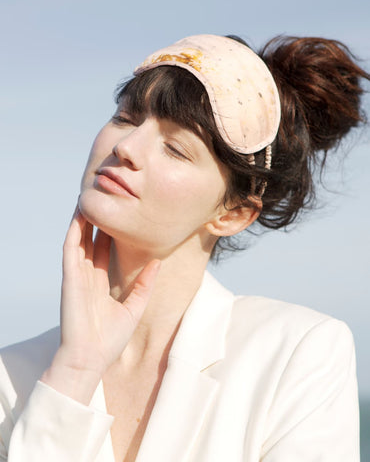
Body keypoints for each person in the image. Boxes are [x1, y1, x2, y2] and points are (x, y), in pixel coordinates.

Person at [0, 34, 368, 462]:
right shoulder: (12, 375)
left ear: (232, 215)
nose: (126, 147)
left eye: (175, 148)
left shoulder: (296, 353)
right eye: (125, 118)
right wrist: (75, 371)